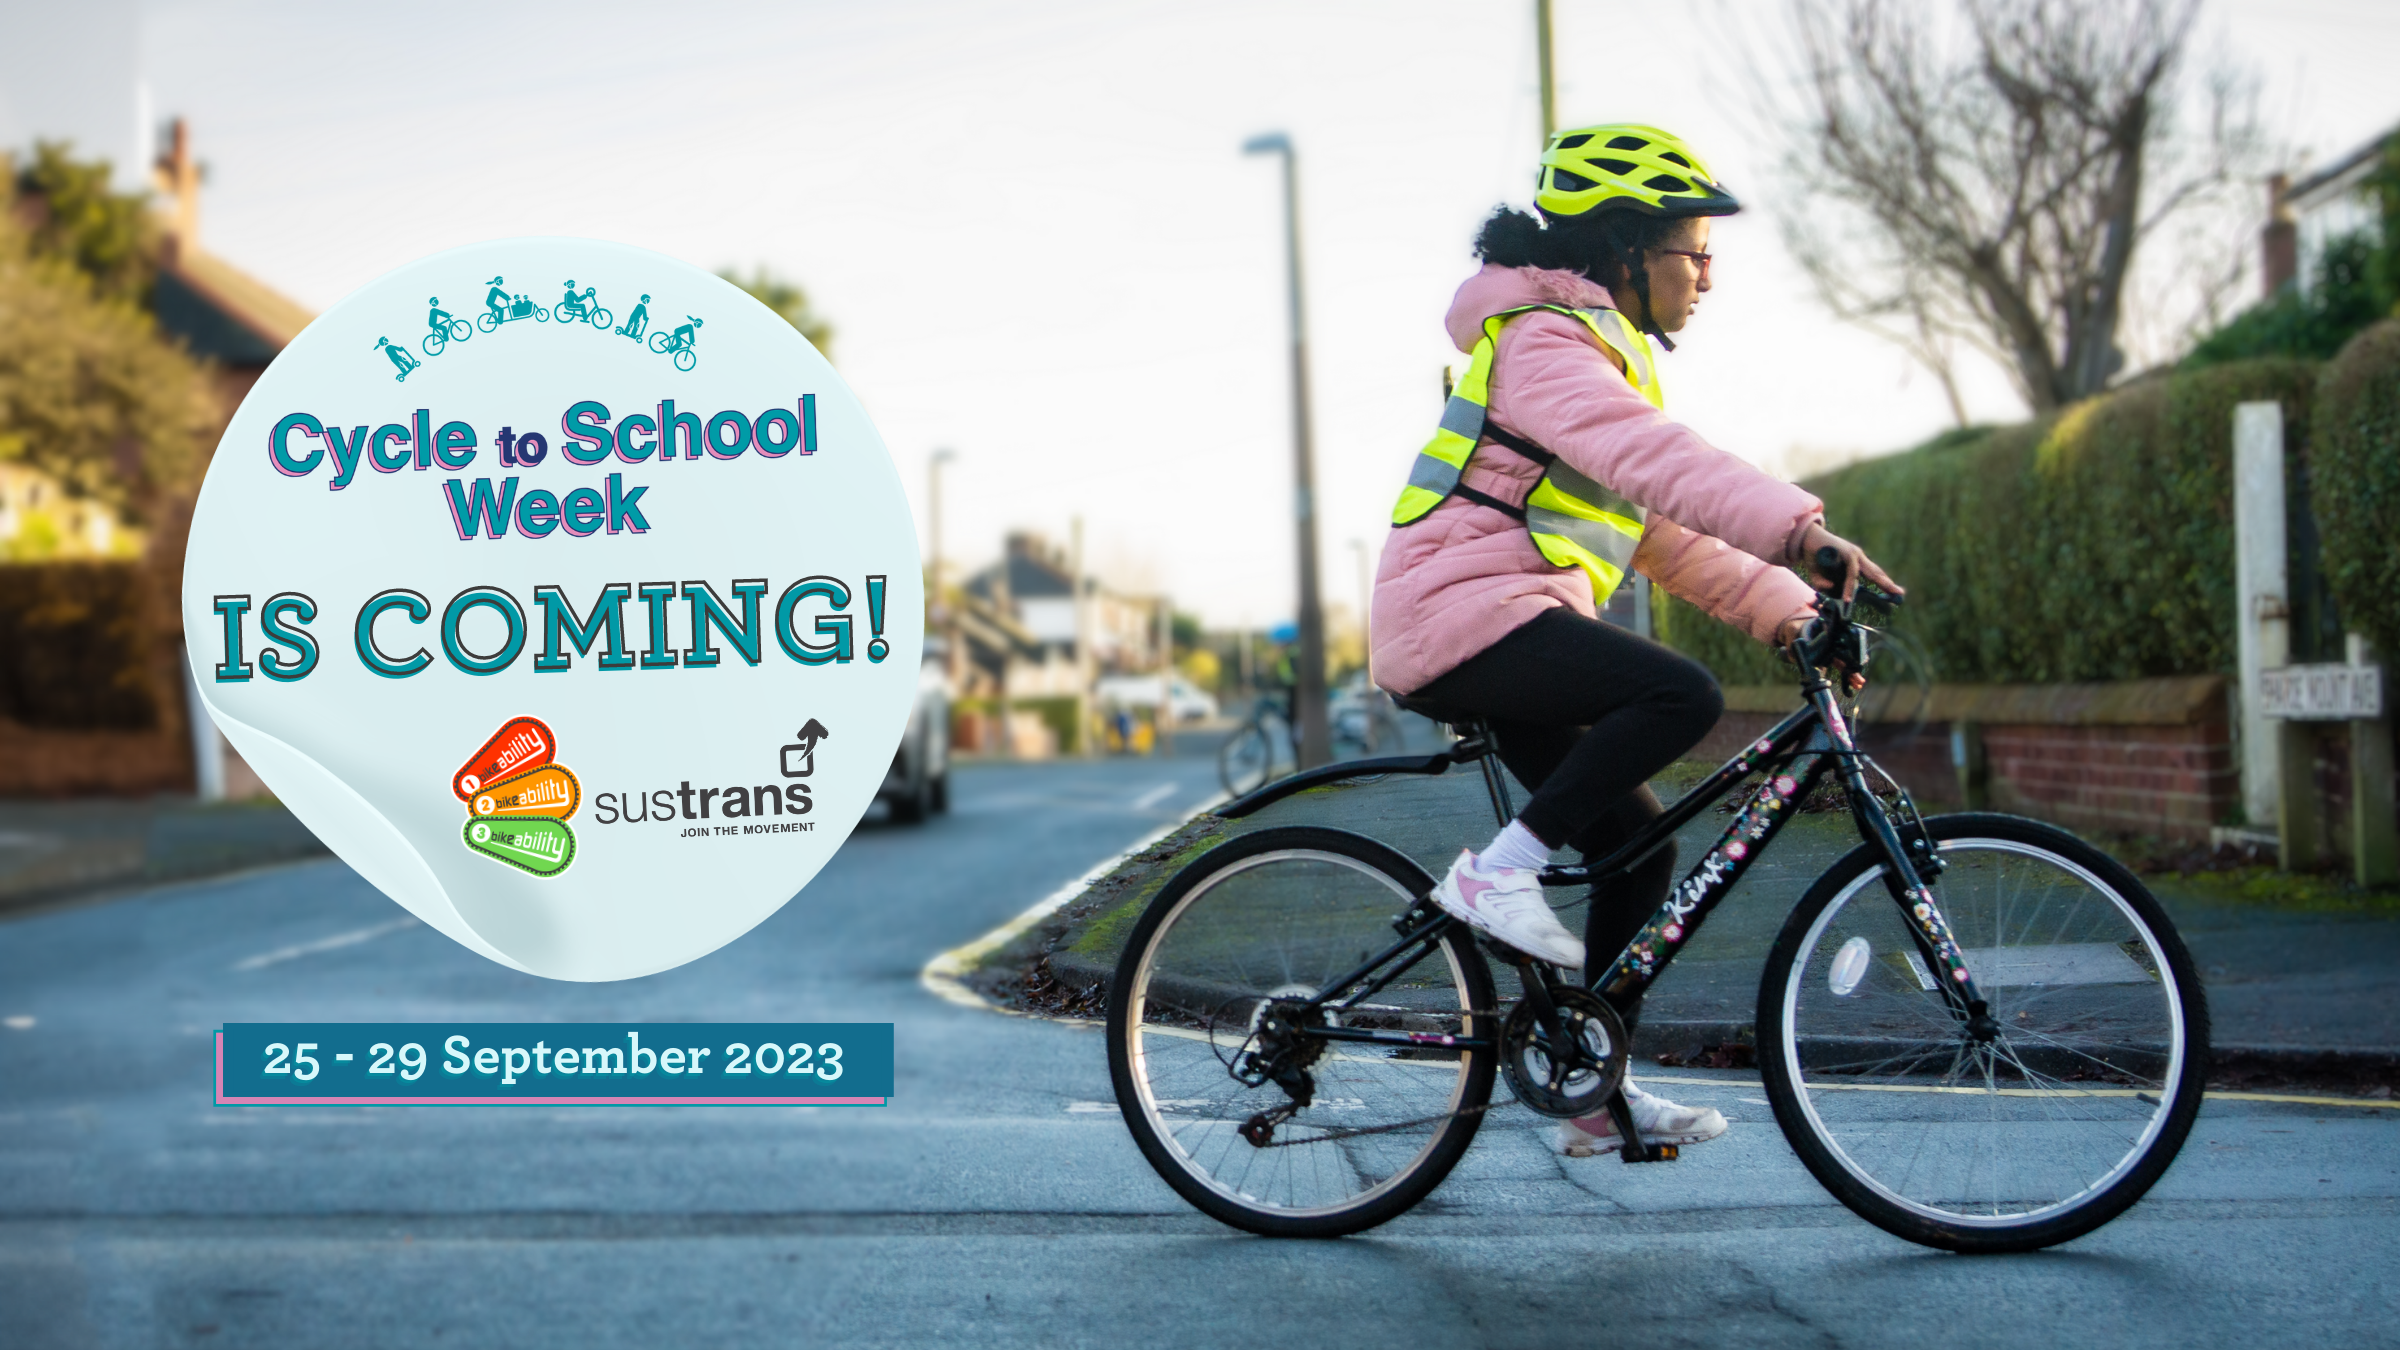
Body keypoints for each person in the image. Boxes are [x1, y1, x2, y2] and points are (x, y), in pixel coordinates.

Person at [1372, 124, 1902, 1156]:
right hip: (1462, 620)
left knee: (1639, 849)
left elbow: (1664, 533)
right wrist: (1800, 529)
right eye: (1691, 253)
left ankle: (1590, 1090)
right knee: (1680, 697)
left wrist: (1791, 608)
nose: (1706, 276)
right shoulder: (1543, 347)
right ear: (1624, 252)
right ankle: (1494, 878)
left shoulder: (1587, 361)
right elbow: (1658, 461)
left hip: (1504, 619)